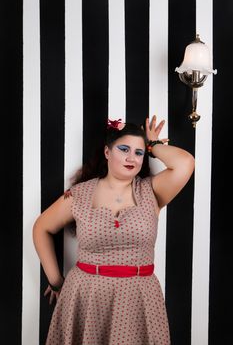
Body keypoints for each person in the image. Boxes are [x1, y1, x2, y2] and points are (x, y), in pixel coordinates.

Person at [33, 115, 195, 345]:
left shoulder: (152, 191)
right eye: (124, 149)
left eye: (139, 153)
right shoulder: (78, 194)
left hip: (139, 297)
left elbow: (185, 162)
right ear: (107, 153)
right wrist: (56, 281)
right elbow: (41, 227)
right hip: (87, 296)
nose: (132, 158)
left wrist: (153, 145)